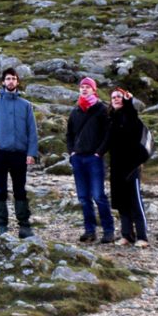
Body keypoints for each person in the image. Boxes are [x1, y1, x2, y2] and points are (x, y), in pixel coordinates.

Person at [0, 68, 38, 238]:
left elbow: (32, 131)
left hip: (19, 154)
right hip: (0, 154)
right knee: (0, 190)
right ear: (3, 82)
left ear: (17, 82)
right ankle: (1, 225)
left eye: (14, 78)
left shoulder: (26, 105)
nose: (11, 81)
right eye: (8, 78)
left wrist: (31, 153)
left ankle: (24, 225)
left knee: (20, 190)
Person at [66, 77, 115, 243]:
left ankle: (109, 231)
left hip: (94, 159)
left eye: (88, 87)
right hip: (78, 159)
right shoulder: (75, 111)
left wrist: (99, 153)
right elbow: (69, 135)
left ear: (94, 90)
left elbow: (108, 134)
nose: (84, 89)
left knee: (98, 196)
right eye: (82, 87)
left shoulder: (101, 109)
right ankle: (89, 231)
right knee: (83, 197)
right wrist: (71, 153)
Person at [107, 87, 149, 247]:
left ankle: (142, 237)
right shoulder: (112, 119)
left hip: (131, 167)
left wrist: (130, 102)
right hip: (117, 167)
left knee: (135, 202)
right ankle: (127, 235)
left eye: (119, 97)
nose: (116, 99)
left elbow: (132, 121)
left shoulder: (131, 117)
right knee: (122, 202)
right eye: (113, 97)